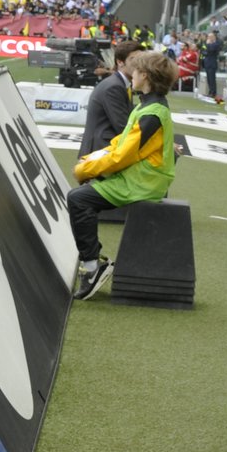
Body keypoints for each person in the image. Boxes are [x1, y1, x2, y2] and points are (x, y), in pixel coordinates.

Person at [66, 52, 177, 301]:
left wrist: (86, 170)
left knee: (78, 200)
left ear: (145, 77)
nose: (131, 76)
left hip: (143, 182)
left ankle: (93, 268)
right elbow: (120, 145)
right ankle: (94, 261)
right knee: (82, 196)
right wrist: (92, 162)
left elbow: (122, 156)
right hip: (140, 177)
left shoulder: (151, 112)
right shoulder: (149, 105)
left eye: (135, 72)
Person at [79, 40, 139, 157]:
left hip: (103, 150)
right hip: (101, 152)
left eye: (141, 60)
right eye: (133, 59)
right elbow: (123, 126)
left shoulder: (121, 84)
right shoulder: (115, 86)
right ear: (120, 62)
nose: (139, 64)